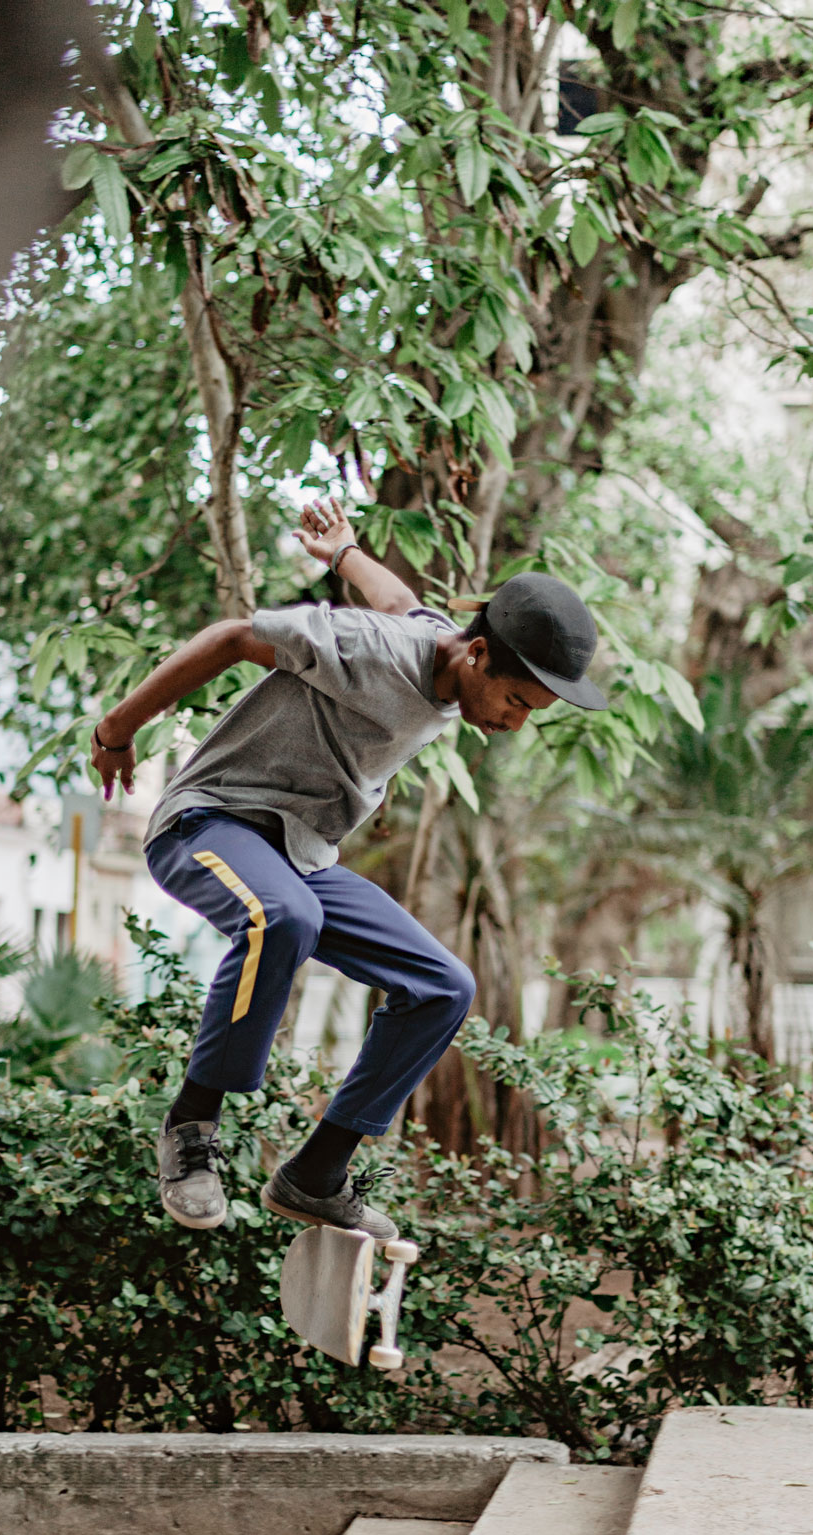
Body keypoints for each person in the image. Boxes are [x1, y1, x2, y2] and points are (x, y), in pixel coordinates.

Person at [89, 496, 606, 1239]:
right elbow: (235, 636)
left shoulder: (444, 648)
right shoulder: (365, 649)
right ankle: (191, 1127)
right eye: (516, 701)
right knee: (284, 918)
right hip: (207, 822)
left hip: (298, 853)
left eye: (533, 713)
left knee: (443, 987)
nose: (513, 723)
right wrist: (116, 730)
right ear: (479, 653)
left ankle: (317, 1174)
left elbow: (404, 601)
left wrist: (344, 554)